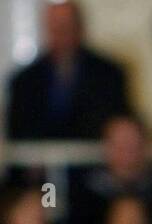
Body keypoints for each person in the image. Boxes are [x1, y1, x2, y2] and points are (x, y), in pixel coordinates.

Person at [4, 0, 130, 142]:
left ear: (79, 27)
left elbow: (118, 124)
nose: (62, 35)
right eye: (56, 28)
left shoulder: (109, 74)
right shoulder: (24, 81)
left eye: (66, 27)